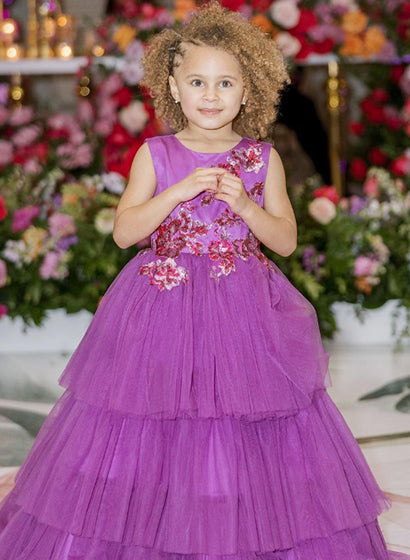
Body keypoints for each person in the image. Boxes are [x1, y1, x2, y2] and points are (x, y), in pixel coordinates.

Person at [0, 2, 407, 558]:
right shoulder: (156, 154)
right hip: (161, 304)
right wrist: (176, 192)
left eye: (225, 83)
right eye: (197, 82)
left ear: (247, 91)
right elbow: (124, 232)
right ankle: (154, 516)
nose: (210, 95)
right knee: (157, 410)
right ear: (173, 86)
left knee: (235, 412)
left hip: (242, 306)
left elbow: (286, 240)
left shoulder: (261, 159)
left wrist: (245, 204)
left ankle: (232, 517)